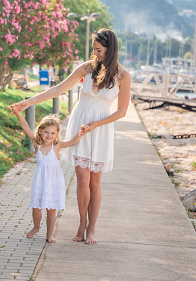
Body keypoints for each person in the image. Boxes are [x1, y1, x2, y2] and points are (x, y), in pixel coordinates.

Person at [11, 28, 131, 245]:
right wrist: (29, 102)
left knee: (95, 183)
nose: (96, 54)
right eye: (94, 49)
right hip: (80, 124)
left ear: (110, 50)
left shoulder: (123, 75)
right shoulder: (86, 68)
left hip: (100, 129)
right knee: (82, 180)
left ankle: (91, 229)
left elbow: (122, 111)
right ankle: (81, 223)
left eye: (100, 50)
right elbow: (58, 89)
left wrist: (97, 124)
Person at [12, 108, 89, 243]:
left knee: (51, 210)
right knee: (36, 207)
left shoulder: (57, 146)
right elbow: (25, 127)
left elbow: (72, 142)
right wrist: (18, 113)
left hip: (53, 182)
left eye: (53, 133)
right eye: (46, 132)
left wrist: (80, 134)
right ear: (40, 131)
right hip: (40, 182)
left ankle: (49, 234)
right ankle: (36, 227)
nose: (49, 135)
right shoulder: (38, 144)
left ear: (57, 133)